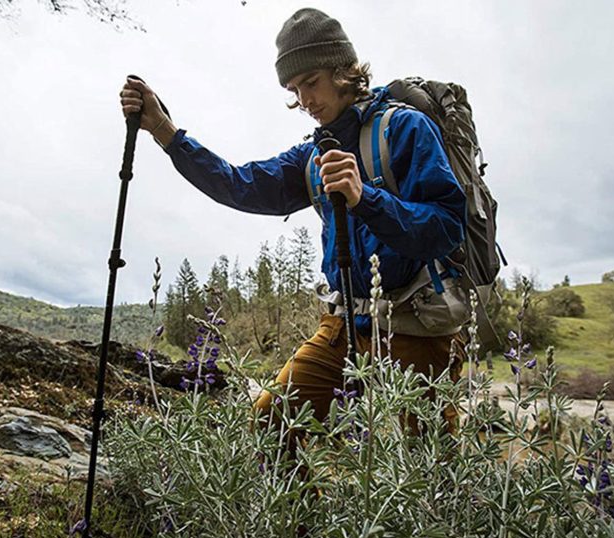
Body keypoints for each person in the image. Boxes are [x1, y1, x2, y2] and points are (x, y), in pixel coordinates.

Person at [119, 8, 467, 428]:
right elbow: (238, 184)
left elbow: (447, 227)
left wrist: (365, 198)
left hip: (417, 326)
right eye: (293, 89)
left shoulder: (405, 128)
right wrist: (165, 132)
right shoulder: (311, 156)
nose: (304, 101)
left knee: (428, 467)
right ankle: (307, 499)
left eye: (311, 83)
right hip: (343, 326)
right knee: (271, 420)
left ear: (342, 71)